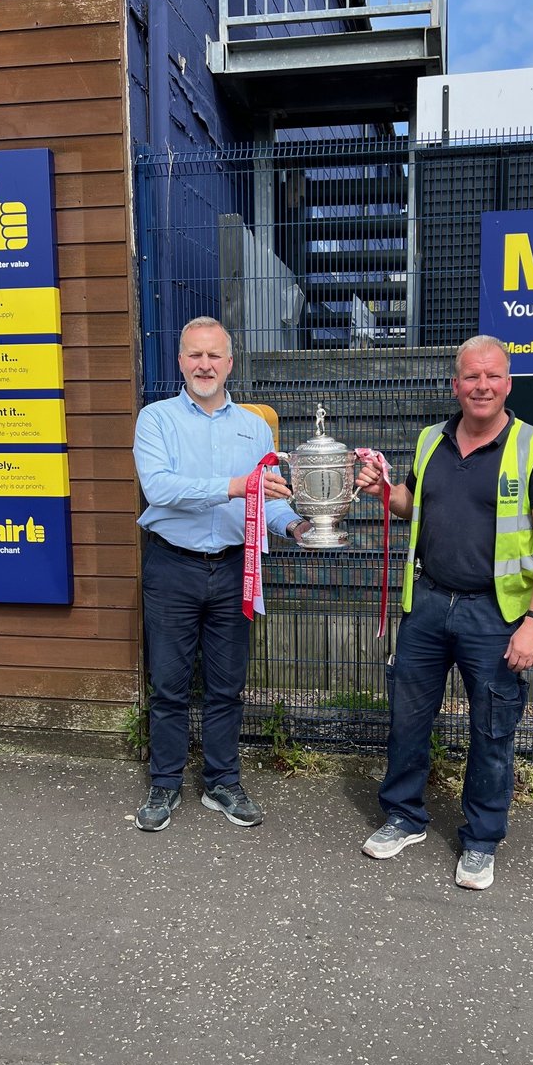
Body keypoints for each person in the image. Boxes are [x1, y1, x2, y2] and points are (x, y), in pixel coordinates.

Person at [356, 335, 533, 890]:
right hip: (427, 605)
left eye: (492, 376)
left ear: (508, 384)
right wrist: (384, 490)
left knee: (492, 730)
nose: (481, 386)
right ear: (455, 384)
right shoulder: (431, 439)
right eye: (471, 377)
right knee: (407, 720)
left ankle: (480, 840)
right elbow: (410, 506)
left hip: (496, 617)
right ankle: (404, 816)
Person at [132, 317, 310, 832]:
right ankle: (164, 785)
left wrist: (296, 524)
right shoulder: (156, 420)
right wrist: (234, 486)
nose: (204, 365)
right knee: (168, 685)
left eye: (214, 356)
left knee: (227, 686)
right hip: (172, 566)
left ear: (230, 363)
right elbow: (161, 489)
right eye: (194, 355)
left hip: (235, 567)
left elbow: (266, 500)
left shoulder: (254, 426)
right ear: (180, 361)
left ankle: (222, 782)